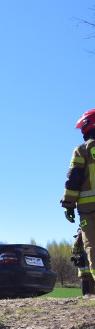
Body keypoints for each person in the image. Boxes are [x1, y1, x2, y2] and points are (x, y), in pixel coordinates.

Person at [61, 109, 95, 291]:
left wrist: (68, 204)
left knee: (92, 246)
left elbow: (74, 178)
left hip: (90, 210)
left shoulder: (82, 150)